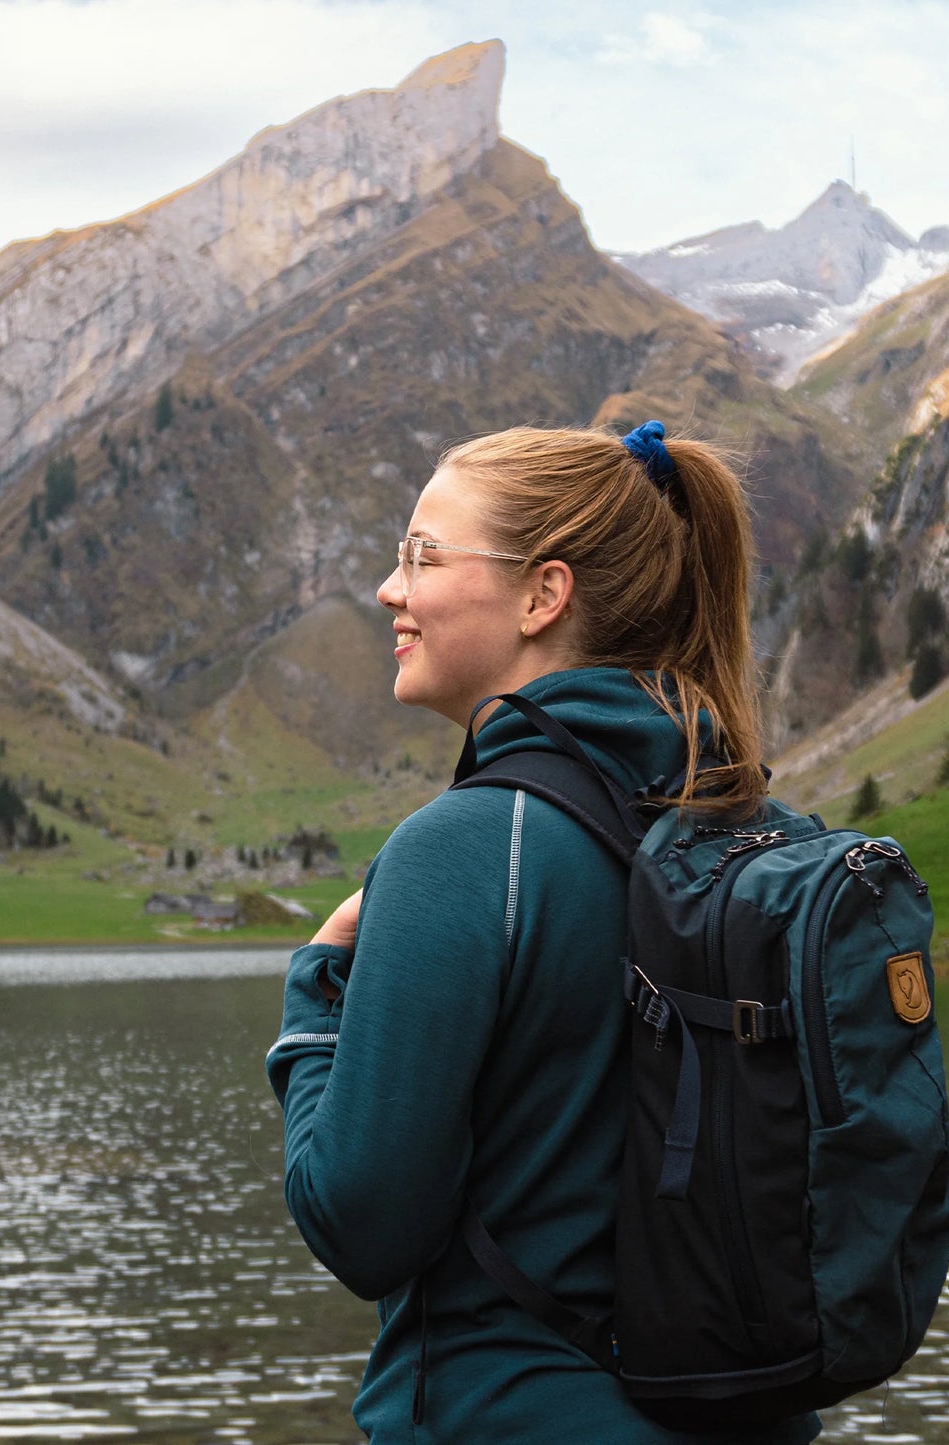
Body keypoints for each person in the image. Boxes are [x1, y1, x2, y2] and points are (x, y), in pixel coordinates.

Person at [266, 422, 821, 1443]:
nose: (388, 590)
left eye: (421, 555)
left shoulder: (468, 845)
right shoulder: (754, 829)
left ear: (541, 595)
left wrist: (316, 995)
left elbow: (361, 1225)